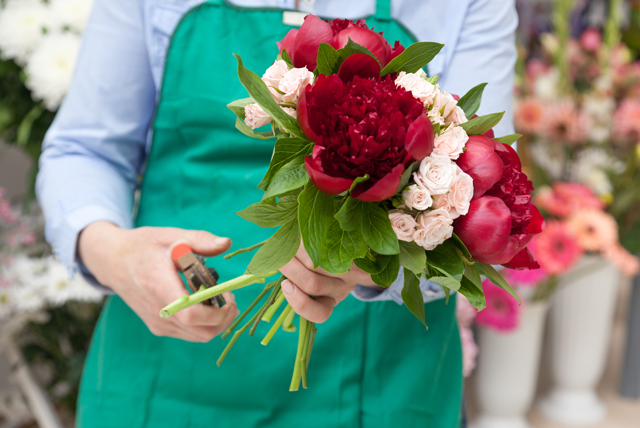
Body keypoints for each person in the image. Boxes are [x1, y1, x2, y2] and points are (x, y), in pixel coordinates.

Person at [37, 0, 517, 426]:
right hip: (164, 366)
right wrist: (113, 251)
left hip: (380, 384)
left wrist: (368, 264)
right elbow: (85, 150)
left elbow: (476, 197)